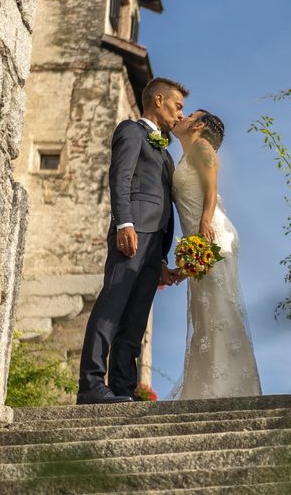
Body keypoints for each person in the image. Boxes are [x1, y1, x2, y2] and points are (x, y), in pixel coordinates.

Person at [76, 77, 186, 404]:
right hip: (133, 233)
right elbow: (120, 177)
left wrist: (162, 260)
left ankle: (123, 387)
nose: (181, 114)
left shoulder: (165, 155)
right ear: (158, 100)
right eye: (177, 106)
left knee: (136, 318)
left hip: (155, 246)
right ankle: (91, 384)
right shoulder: (131, 131)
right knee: (112, 305)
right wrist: (124, 222)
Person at [168, 109, 262, 399]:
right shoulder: (185, 155)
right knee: (206, 313)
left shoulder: (201, 146)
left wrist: (205, 222)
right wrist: (184, 268)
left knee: (219, 309)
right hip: (200, 238)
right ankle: (210, 388)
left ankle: (228, 389)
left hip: (212, 234)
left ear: (198, 125)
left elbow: (211, 187)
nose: (180, 116)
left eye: (189, 115)